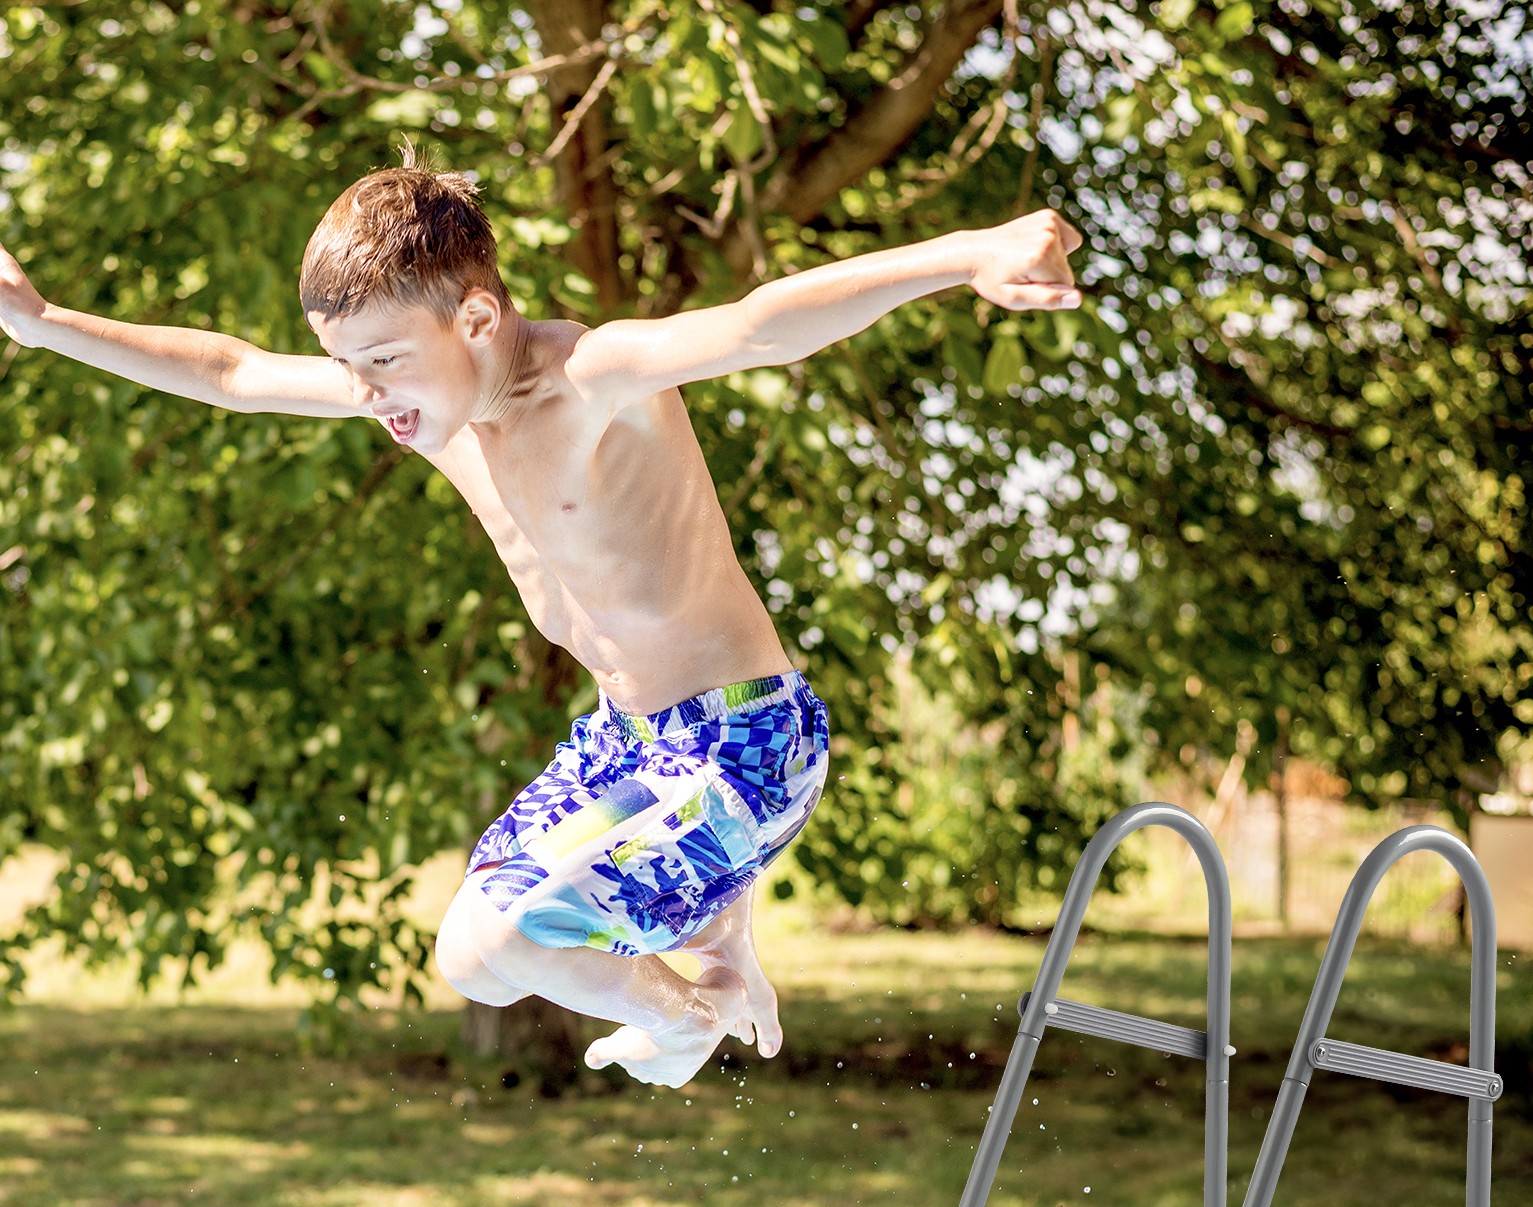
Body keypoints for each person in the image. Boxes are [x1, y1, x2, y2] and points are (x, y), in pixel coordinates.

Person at [0, 148, 1082, 1089]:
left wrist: (966, 255)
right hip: (635, 739)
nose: (365, 393)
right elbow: (233, 373)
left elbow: (761, 327)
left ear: (475, 316)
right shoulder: (426, 403)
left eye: (382, 361)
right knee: (472, 956)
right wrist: (43, 327)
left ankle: (689, 1004)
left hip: (745, 739)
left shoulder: (588, 379)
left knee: (524, 931)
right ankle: (712, 961)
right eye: (345, 365)